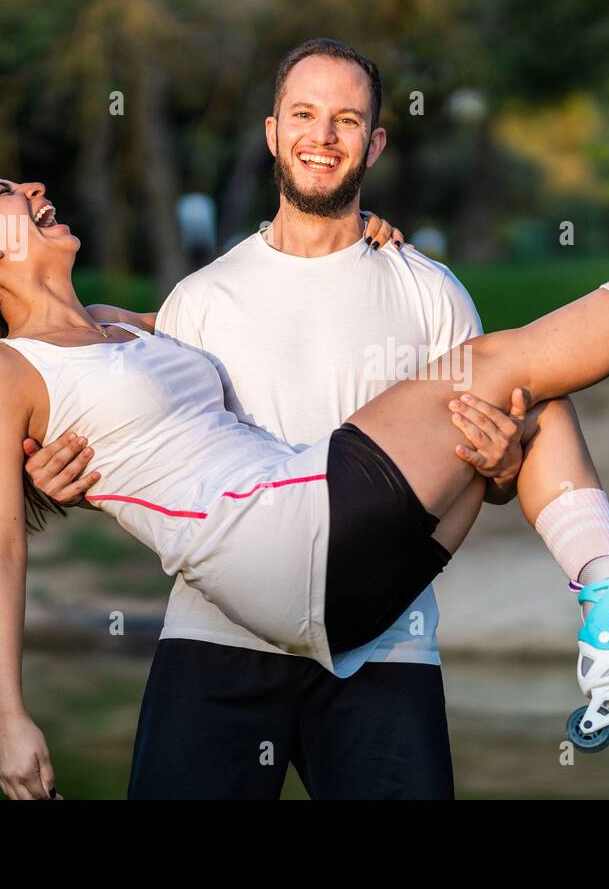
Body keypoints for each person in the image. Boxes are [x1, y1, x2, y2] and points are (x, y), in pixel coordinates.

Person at [0, 91, 609, 798]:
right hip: (282, 548)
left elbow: (251, 318)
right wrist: (9, 715)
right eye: (8, 190)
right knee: (500, 363)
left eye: (346, 122)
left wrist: (349, 239)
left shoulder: (127, 323)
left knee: (527, 398)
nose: (37, 186)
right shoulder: (0, 375)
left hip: (346, 579)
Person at [27, 39, 529, 799]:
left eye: (347, 120)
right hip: (216, 638)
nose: (322, 137)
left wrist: (502, 468)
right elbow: (141, 438)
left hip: (383, 644)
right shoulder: (199, 302)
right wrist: (62, 469)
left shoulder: (432, 292)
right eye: (304, 114)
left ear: (375, 143)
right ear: (271, 132)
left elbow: (479, 480)